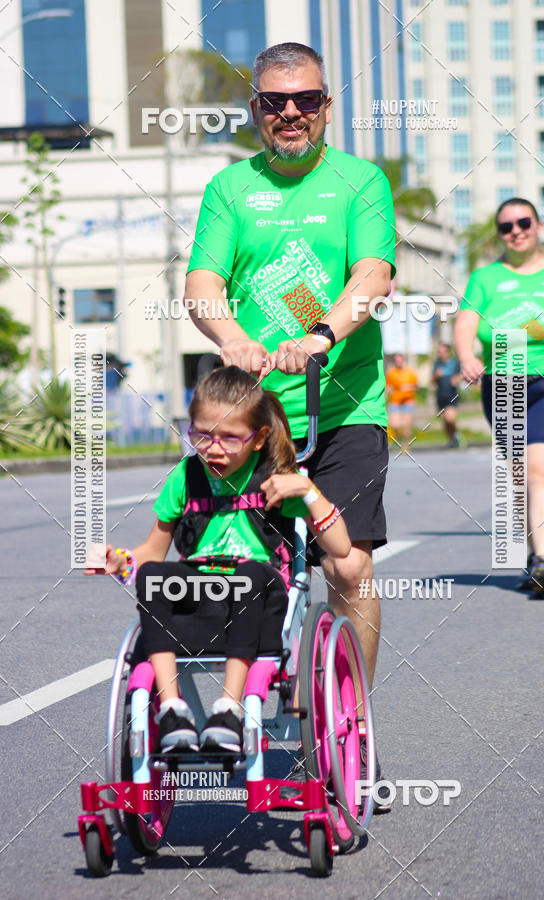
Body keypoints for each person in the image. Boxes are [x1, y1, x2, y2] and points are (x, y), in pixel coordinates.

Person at [185, 44, 395, 704]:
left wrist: (323, 333)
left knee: (348, 564)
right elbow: (202, 281)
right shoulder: (231, 189)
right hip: (254, 418)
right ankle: (246, 700)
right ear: (257, 110)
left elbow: (373, 274)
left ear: (326, 107)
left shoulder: (360, 182)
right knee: (235, 570)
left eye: (305, 100)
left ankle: (351, 723)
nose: (291, 113)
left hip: (343, 410)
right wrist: (233, 338)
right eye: (276, 103)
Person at [85, 366, 350, 753]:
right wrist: (119, 560)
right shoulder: (185, 476)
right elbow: (150, 553)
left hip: (261, 597)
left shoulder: (277, 477)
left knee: (246, 576)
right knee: (154, 576)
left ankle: (230, 707)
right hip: (198, 595)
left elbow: (341, 547)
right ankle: (172, 709)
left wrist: (308, 491)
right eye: (202, 435)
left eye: (229, 438)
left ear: (259, 438)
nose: (214, 448)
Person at [454, 197, 544, 598]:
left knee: (540, 471)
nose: (515, 231)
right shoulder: (485, 278)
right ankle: (537, 560)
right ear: (500, 235)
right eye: (506, 227)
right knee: (521, 476)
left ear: (538, 226)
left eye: (523, 223)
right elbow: (466, 321)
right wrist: (466, 357)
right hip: (503, 385)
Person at [385, 353, 418, 450]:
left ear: (403, 361)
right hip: (395, 401)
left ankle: (405, 444)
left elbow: (416, 386)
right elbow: (388, 386)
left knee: (406, 426)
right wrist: (387, 393)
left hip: (408, 401)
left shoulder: (410, 372)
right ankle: (398, 439)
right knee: (395, 424)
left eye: (400, 360)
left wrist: (408, 387)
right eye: (396, 361)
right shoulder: (391, 372)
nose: (398, 363)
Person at [432, 343, 461, 447]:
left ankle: (456, 435)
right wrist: (436, 375)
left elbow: (461, 374)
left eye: (443, 351)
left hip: (452, 396)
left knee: (450, 419)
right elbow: (432, 380)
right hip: (440, 396)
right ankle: (452, 440)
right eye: (439, 352)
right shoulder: (437, 364)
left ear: (448, 352)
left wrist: (458, 378)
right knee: (445, 421)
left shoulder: (455, 363)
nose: (441, 353)